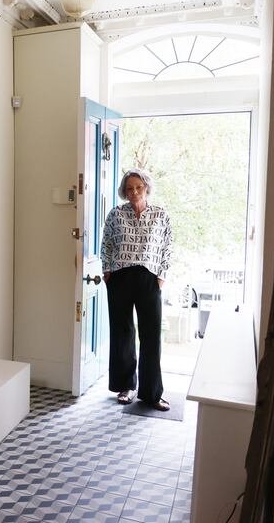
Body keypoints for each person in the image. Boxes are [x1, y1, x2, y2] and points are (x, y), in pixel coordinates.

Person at [101, 168, 173, 411]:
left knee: (151, 335)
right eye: (129, 188)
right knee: (122, 333)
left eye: (138, 187)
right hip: (120, 276)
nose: (134, 192)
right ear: (124, 191)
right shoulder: (115, 214)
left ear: (146, 188)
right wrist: (107, 271)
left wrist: (161, 275)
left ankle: (152, 393)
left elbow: (167, 246)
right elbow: (107, 243)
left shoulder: (160, 215)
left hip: (149, 277)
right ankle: (125, 386)